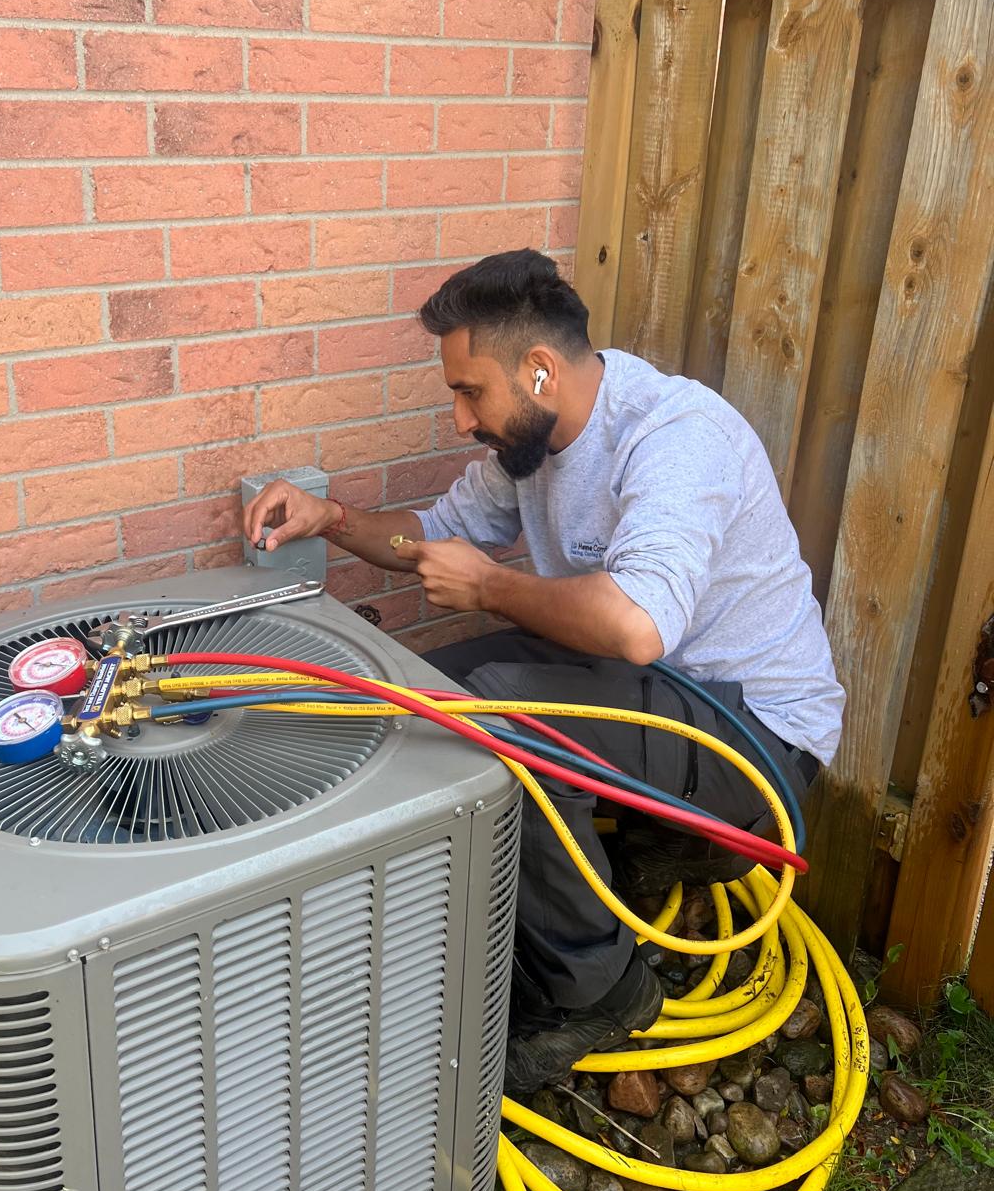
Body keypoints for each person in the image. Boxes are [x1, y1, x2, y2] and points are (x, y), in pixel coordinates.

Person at [242, 249, 843, 1095]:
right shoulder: (529, 447)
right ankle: (633, 857)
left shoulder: (676, 437)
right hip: (652, 698)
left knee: (493, 714)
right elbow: (430, 534)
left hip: (757, 737)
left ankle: (600, 989)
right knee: (423, 693)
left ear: (538, 371)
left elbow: (637, 626)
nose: (460, 419)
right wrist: (331, 517)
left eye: (469, 392)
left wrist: (489, 587)